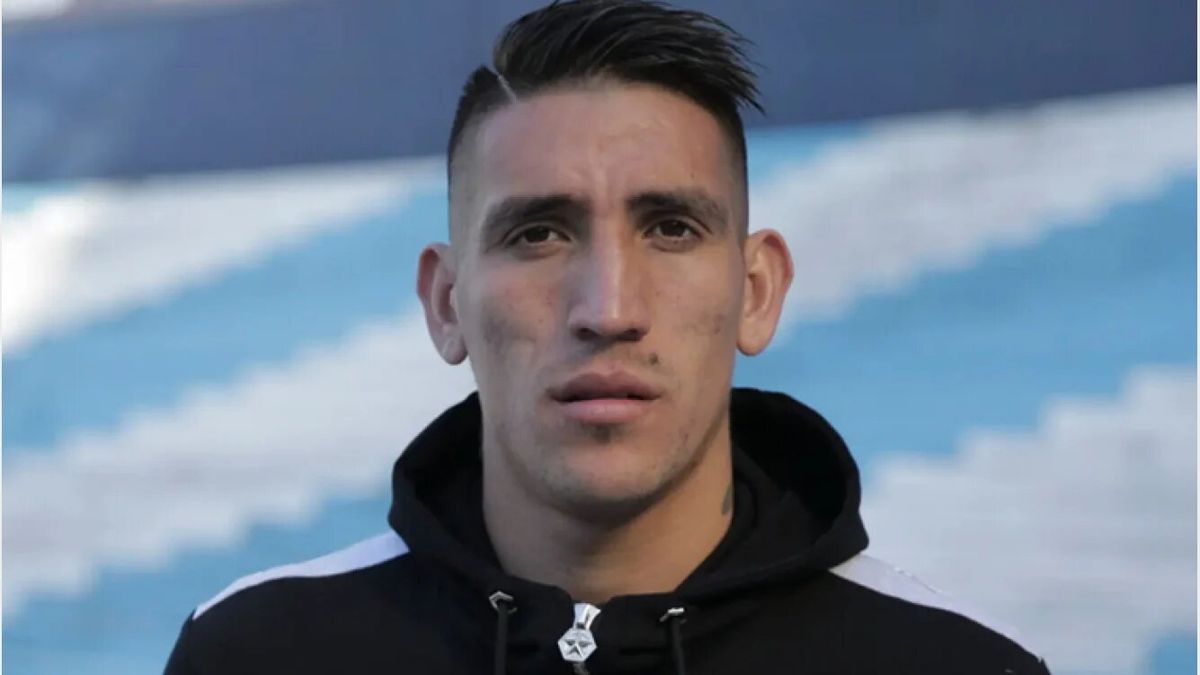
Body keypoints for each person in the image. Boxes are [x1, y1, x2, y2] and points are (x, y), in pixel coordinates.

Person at [165, 1, 1051, 673]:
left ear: (756, 291)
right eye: (538, 234)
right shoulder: (257, 652)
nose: (609, 307)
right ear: (446, 303)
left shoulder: (959, 665)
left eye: (670, 228)